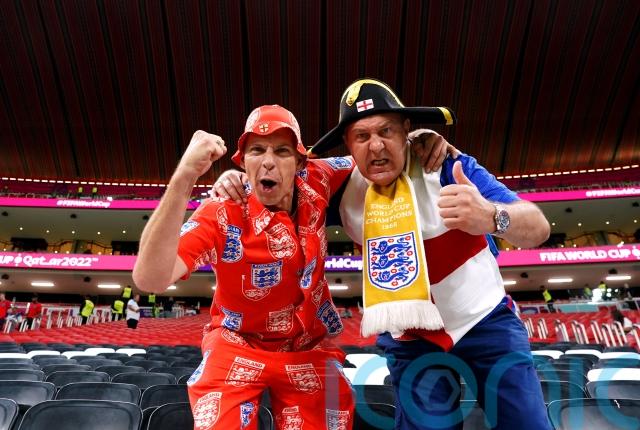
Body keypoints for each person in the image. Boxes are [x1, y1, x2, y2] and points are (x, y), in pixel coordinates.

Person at [214, 79, 551, 430]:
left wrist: (491, 216)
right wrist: (235, 181)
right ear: (348, 146)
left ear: (407, 130)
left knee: (528, 424)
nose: (376, 146)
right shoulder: (338, 188)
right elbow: (274, 180)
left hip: (485, 322)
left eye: (386, 131)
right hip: (412, 338)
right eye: (361, 136)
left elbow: (538, 228)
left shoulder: (448, 167)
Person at [133, 105, 356, 429]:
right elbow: (149, 279)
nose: (269, 161)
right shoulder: (220, 212)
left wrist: (420, 140)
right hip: (236, 343)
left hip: (308, 346)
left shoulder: (318, 177)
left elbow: (371, 155)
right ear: (242, 162)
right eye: (257, 150)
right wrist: (184, 177)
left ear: (300, 162)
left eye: (282, 151)